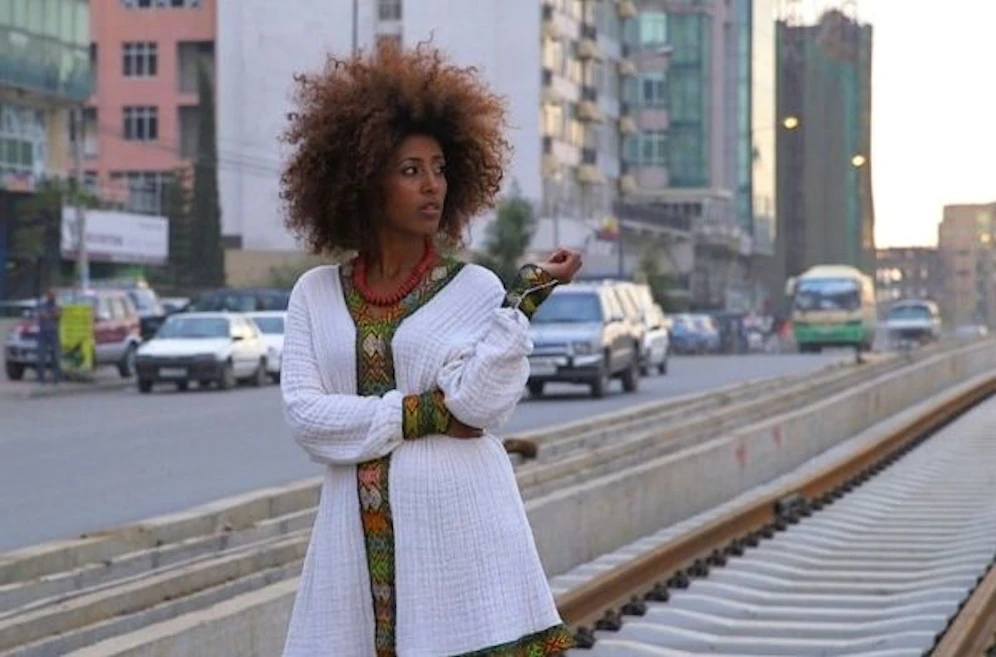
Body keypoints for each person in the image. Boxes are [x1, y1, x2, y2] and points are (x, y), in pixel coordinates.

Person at [278, 41, 582, 656]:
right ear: (365, 180)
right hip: (349, 552)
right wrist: (424, 413)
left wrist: (523, 300)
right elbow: (308, 419)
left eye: (440, 169)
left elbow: (480, 408)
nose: (432, 186)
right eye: (410, 170)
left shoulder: (474, 289)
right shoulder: (315, 295)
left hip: (460, 544)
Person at [36, 288, 62, 384]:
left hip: (54, 333)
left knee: (56, 356)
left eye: (54, 294)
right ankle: (41, 378)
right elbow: (43, 315)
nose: (53, 296)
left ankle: (56, 378)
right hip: (43, 333)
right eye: (51, 294)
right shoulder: (43, 305)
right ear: (48, 295)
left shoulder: (57, 305)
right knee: (41, 356)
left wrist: (52, 314)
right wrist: (52, 314)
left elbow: (58, 314)